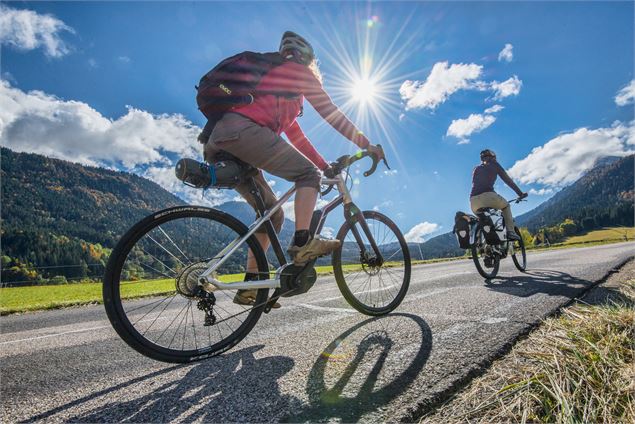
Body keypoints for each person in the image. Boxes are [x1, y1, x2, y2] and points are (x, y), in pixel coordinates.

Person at [204, 31, 385, 306]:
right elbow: (332, 113)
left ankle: (251, 286)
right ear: (308, 59)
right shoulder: (298, 72)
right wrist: (367, 143)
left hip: (221, 141)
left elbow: (297, 137)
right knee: (306, 175)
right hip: (243, 134)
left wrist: (325, 166)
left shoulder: (278, 90)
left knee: (271, 214)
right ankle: (302, 243)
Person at [470, 149, 527, 240]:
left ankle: (485, 242)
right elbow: (508, 180)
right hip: (489, 196)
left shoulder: (476, 169)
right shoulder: (494, 164)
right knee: (506, 206)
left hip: (473, 202)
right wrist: (520, 193)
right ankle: (510, 231)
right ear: (493, 157)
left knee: (485, 220)